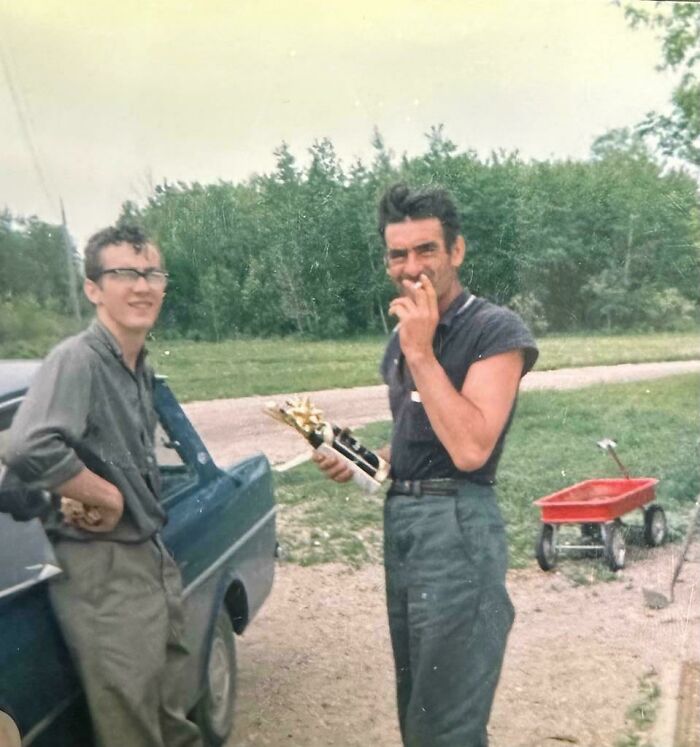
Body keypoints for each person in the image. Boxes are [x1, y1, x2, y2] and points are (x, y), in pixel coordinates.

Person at [313, 183, 538, 746]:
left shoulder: (495, 331)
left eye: (426, 250)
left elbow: (469, 449)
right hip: (406, 523)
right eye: (398, 254)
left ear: (456, 251)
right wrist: (363, 460)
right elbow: (415, 446)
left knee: (447, 725)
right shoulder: (401, 338)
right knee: (420, 713)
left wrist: (422, 350)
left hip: (458, 526)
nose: (411, 268)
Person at [3, 225, 203, 747]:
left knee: (172, 715)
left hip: (146, 557)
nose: (141, 286)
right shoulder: (78, 359)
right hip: (102, 568)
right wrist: (104, 494)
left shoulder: (135, 365)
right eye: (123, 274)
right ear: (93, 288)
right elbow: (28, 445)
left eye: (151, 273)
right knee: (133, 728)